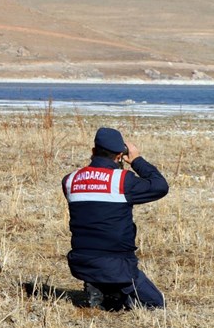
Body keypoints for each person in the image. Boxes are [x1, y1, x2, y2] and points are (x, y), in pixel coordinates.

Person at [62, 127, 169, 310]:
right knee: (155, 304)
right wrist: (136, 160)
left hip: (81, 263)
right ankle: (115, 295)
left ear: (93, 151)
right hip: (119, 266)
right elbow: (160, 186)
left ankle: (99, 286)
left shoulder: (70, 180)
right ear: (120, 155)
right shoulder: (122, 181)